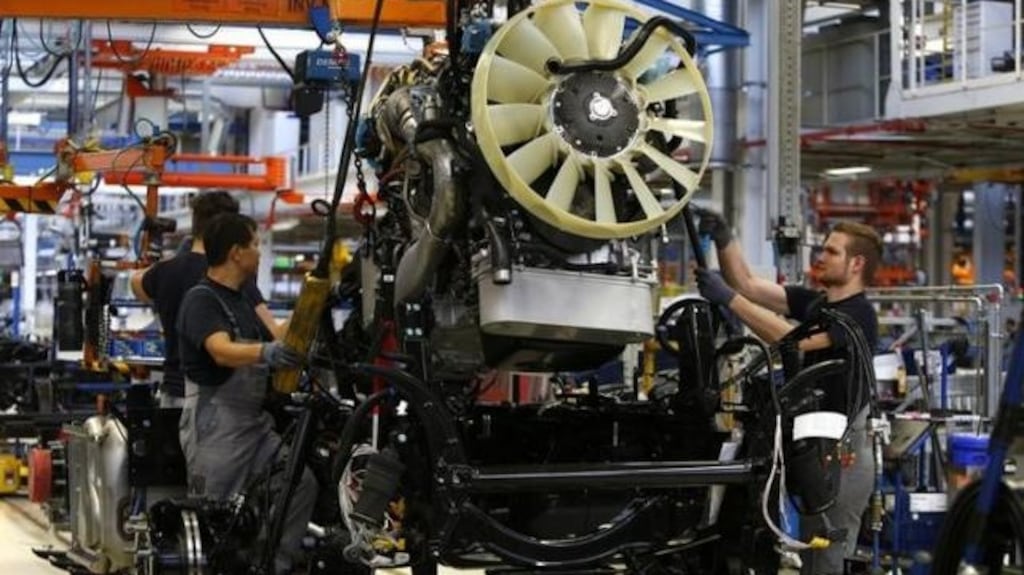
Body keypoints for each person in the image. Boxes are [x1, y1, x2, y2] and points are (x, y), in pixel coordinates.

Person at [696, 210, 882, 575]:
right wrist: (725, 239)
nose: (820, 257)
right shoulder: (818, 304)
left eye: (831, 252)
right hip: (813, 447)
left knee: (825, 556)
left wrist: (729, 300)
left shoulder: (859, 315)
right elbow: (748, 284)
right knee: (810, 550)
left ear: (856, 263)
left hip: (843, 453)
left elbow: (790, 341)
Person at [176, 213, 314, 575]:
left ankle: (271, 565)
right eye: (255, 244)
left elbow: (278, 337)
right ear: (237, 253)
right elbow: (220, 350)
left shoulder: (242, 300)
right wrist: (264, 353)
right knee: (215, 520)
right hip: (215, 426)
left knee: (298, 482)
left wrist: (313, 302)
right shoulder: (201, 299)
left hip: (253, 425)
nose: (259, 252)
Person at [130, 191, 284, 407]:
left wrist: (175, 259)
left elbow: (136, 282)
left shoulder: (166, 271)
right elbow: (273, 333)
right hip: (211, 402)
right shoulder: (231, 277)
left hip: (172, 394)